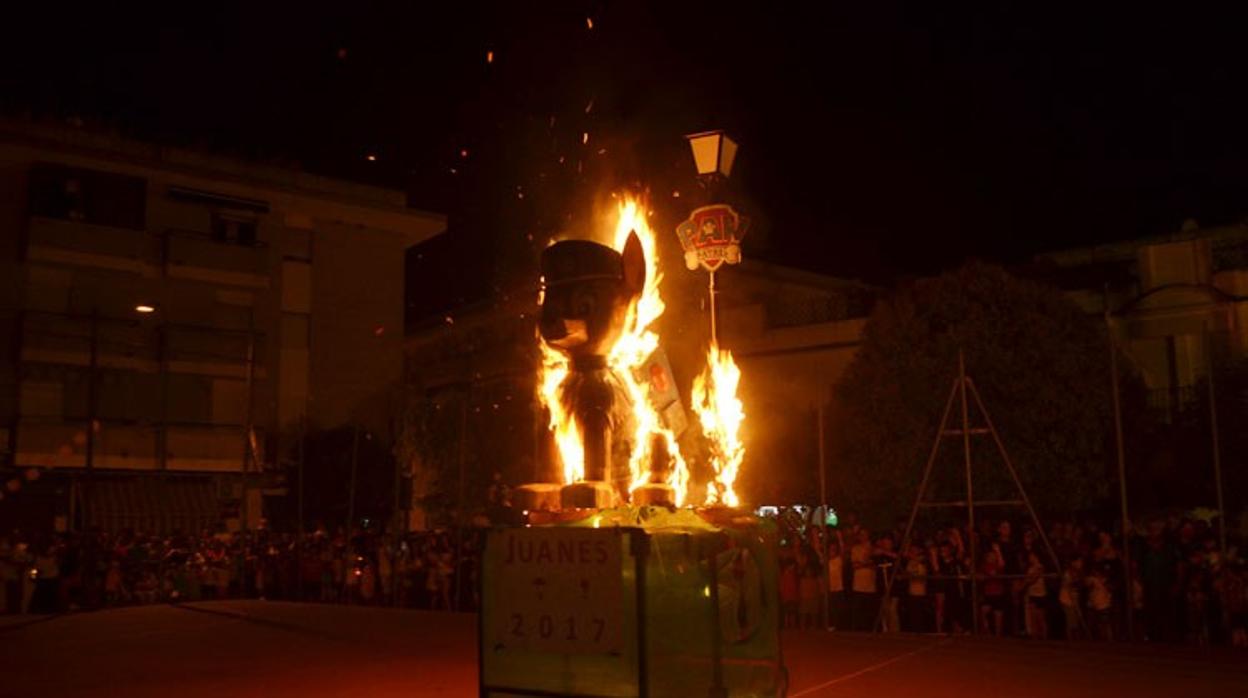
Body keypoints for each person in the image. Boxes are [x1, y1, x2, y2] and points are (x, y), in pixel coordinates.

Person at [850, 529, 877, 631]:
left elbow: (875, 565)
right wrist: (866, 564)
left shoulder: (874, 548)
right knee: (858, 611)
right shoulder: (855, 549)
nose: (863, 536)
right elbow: (854, 566)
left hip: (870, 586)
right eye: (861, 535)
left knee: (869, 612)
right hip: (858, 585)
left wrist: (863, 564)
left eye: (865, 534)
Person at [1023, 552, 1048, 640]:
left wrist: (1027, 581)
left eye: (1031, 556)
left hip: (1040, 594)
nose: (1030, 558)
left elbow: (1034, 578)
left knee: (1040, 617)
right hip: (1032, 594)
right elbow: (1027, 579)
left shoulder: (1040, 567)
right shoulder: (1030, 568)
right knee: (1033, 616)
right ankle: (1035, 635)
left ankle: (1044, 635)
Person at [826, 539, 845, 631]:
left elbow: (842, 549)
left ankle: (839, 626)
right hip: (829, 588)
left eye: (834, 549)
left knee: (839, 608)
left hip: (839, 587)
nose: (832, 551)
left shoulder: (839, 559)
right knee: (831, 608)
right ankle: (831, 625)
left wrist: (839, 537)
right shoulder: (826, 561)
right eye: (831, 549)